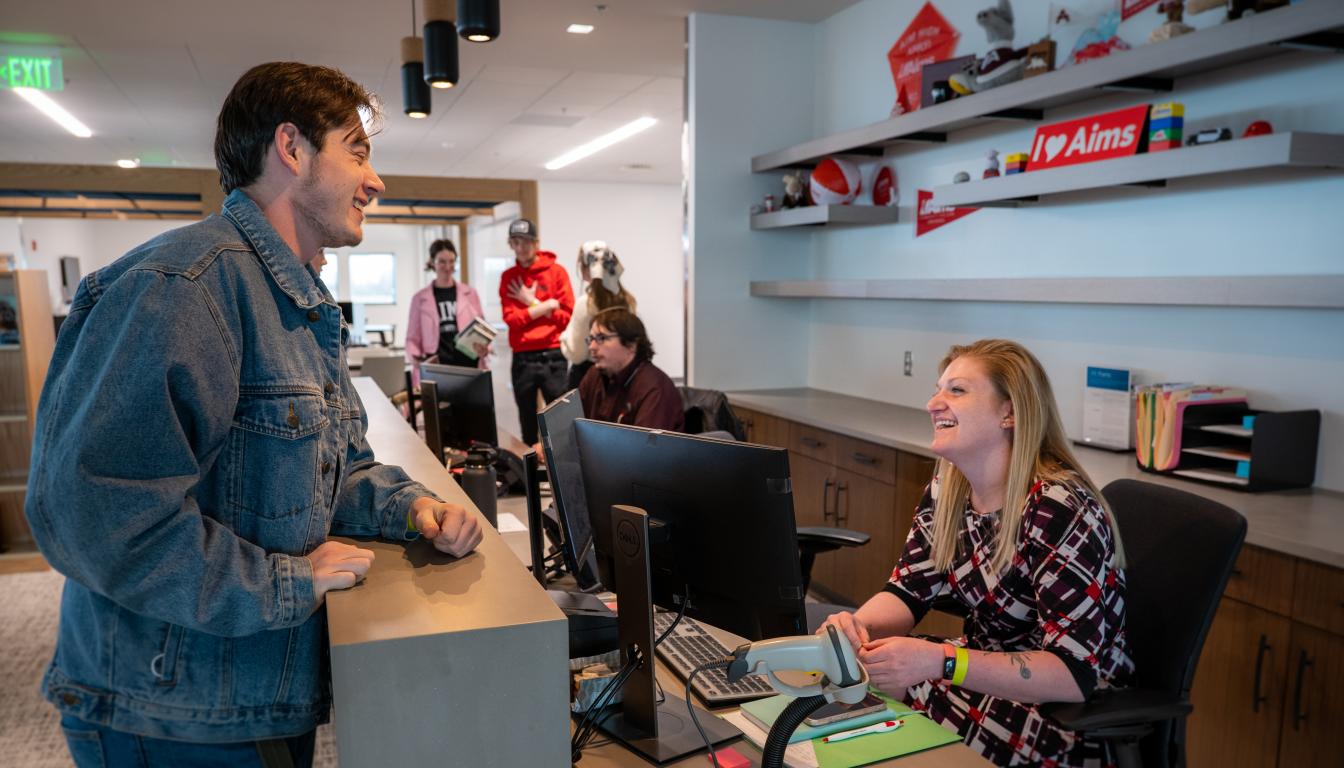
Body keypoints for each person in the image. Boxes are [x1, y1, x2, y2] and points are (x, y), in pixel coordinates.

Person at [24, 62, 483, 767]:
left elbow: (324, 470)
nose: (376, 179)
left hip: (253, 694)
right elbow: (94, 517)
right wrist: (283, 583)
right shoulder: (182, 289)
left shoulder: (294, 300)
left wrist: (409, 507)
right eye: (357, 150)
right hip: (173, 715)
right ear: (292, 149)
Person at [818, 339, 1131, 768]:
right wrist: (857, 628)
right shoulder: (949, 491)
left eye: (956, 391)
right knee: (857, 678)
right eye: (937, 389)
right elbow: (909, 591)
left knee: (872, 699)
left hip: (1064, 715)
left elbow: (1073, 675)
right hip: (980, 676)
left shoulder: (1058, 508)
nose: (933, 403)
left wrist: (941, 661)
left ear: (1010, 412)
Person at [500, 218, 573, 445]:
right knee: (528, 425)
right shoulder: (509, 278)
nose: (520, 248)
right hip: (523, 358)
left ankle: (563, 476)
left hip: (553, 355)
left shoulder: (557, 273)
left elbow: (566, 318)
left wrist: (530, 301)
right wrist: (545, 306)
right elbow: (512, 319)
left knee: (559, 423)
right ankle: (530, 476)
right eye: (515, 242)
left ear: (536, 243)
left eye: (525, 242)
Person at [578, 307, 683, 432]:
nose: (592, 347)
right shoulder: (594, 375)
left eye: (601, 338)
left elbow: (644, 449)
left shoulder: (655, 388)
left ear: (631, 345)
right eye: (591, 339)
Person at [405, 238, 488, 388]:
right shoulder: (419, 299)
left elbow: (481, 327)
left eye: (451, 261)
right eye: (442, 261)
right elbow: (412, 337)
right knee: (440, 411)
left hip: (468, 365)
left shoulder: (470, 293)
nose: (447, 266)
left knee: (471, 411)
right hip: (437, 368)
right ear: (432, 262)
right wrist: (415, 359)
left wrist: (485, 347)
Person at [560, 240, 635, 390]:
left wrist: (563, 337)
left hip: (590, 380)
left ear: (585, 269)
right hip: (623, 376)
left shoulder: (586, 304)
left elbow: (577, 353)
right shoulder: (627, 301)